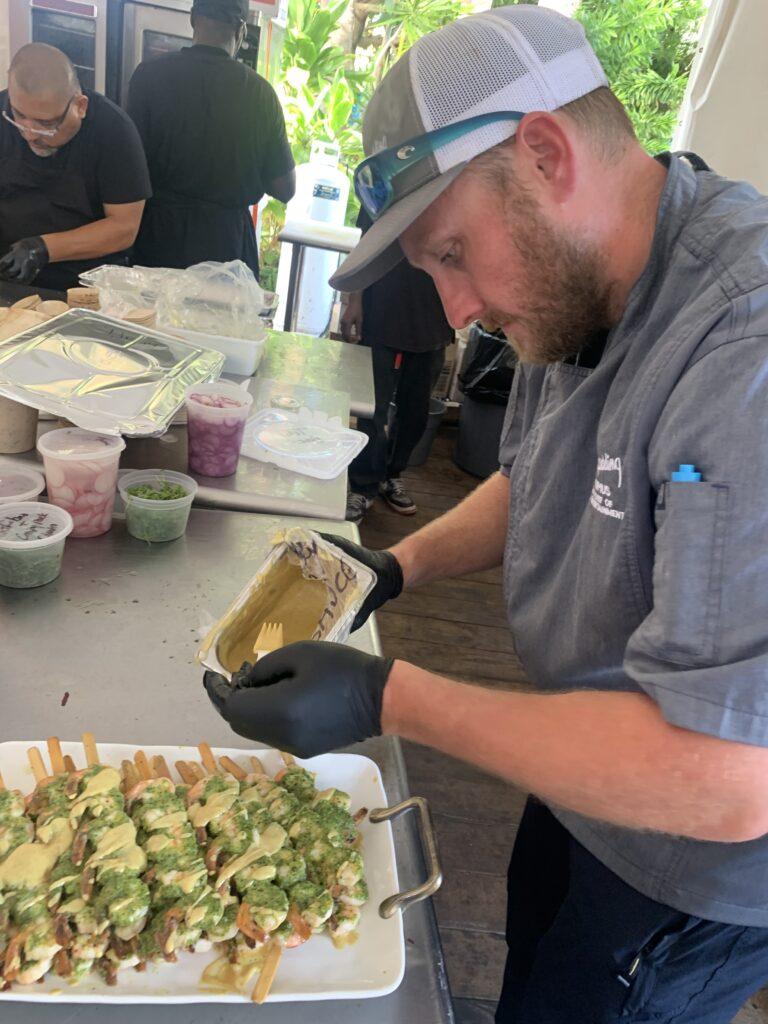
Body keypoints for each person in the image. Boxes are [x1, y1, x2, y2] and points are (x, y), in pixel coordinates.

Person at [203, 7, 768, 1023]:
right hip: (573, 775)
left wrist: (391, 697)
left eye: (453, 252)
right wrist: (392, 568)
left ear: (546, 152)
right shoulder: (580, 283)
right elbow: (535, 478)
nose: (454, 309)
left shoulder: (744, 348)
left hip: (687, 868)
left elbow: (729, 777)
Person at [127, 0, 295, 277]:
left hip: (157, 241)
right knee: (219, 318)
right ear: (241, 30)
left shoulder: (148, 76)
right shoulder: (260, 94)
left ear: (193, 19)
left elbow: (130, 167)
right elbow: (285, 188)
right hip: (225, 247)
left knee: (152, 317)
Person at [0, 44, 151, 291]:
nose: (29, 134)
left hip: (85, 286)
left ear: (80, 106)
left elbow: (124, 227)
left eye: (46, 124)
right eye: (18, 115)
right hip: (8, 278)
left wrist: (42, 248)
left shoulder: (114, 131)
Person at [341, 208, 452, 522]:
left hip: (435, 315)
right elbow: (367, 244)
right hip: (382, 307)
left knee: (416, 410)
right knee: (371, 407)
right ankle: (363, 485)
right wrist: (354, 300)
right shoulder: (388, 174)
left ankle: (393, 473)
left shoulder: (463, 177)